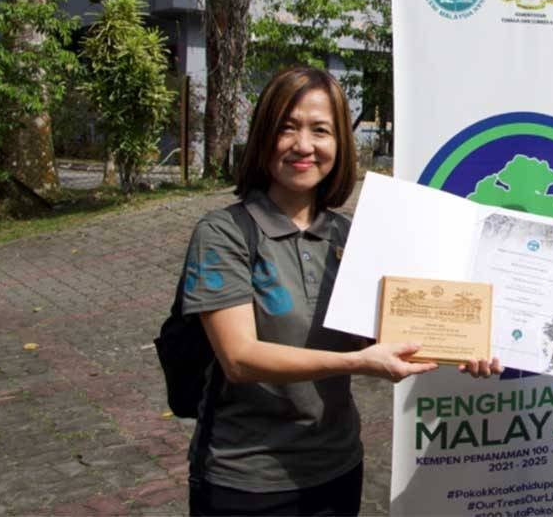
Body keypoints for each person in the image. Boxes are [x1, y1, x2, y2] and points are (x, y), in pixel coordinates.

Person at [180, 67, 437, 516]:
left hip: (338, 468)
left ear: (340, 144)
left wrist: (463, 348)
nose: (304, 145)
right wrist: (359, 362)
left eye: (321, 130)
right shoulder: (223, 234)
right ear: (264, 136)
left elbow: (374, 335)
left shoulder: (350, 235)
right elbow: (239, 358)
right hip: (248, 479)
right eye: (287, 128)